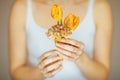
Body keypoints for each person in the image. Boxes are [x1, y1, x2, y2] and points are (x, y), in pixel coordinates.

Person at [9, 0, 113, 80]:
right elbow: (15, 72)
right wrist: (40, 72)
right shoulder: (21, 7)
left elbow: (102, 75)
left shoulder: (100, 6)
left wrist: (80, 58)